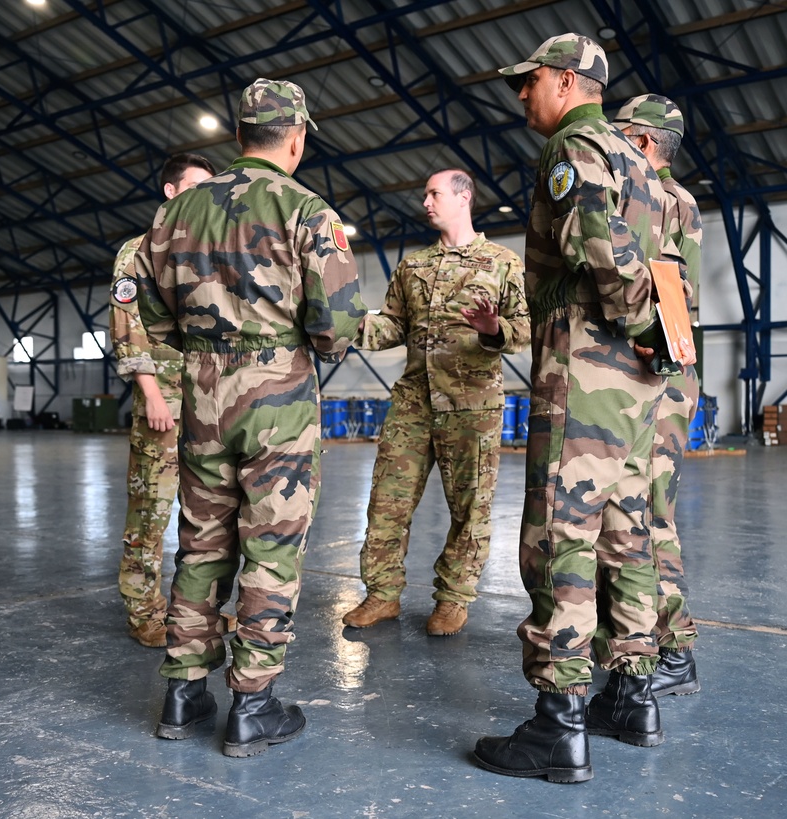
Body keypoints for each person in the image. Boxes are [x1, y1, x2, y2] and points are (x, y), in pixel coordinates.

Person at [133, 77, 366, 758]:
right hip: (278, 398)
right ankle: (253, 704)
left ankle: (182, 690)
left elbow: (151, 316)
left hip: (202, 394)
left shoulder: (175, 214)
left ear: (237, 138)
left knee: (202, 541)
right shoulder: (306, 209)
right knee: (270, 546)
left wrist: (209, 349)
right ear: (295, 140)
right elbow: (337, 322)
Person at [473, 33, 672, 783]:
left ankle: (558, 723)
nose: (521, 95)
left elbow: (602, 246)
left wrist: (637, 318)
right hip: (637, 381)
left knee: (559, 532)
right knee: (628, 531)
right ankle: (631, 693)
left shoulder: (575, 148)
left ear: (565, 80)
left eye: (529, 83)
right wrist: (656, 334)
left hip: (587, 360)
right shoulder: (639, 161)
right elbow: (658, 262)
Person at [341, 169, 529, 636]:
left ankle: (452, 600)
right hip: (413, 404)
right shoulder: (413, 267)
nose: (425, 202)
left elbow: (525, 329)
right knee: (387, 501)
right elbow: (390, 327)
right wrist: (344, 324)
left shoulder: (502, 262)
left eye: (434, 193)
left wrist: (493, 330)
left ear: (464, 197)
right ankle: (381, 595)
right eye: (424, 193)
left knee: (470, 509)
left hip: (472, 406)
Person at [612, 94, 702, 696]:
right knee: (638, 515)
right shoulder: (671, 199)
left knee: (646, 518)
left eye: (621, 136)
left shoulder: (664, 200)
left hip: (661, 376)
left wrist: (655, 343)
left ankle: (672, 650)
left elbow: (665, 285)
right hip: (663, 372)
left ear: (644, 143)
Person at [109, 153, 216, 648]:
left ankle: (196, 613)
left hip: (213, 401)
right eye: (197, 186)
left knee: (208, 514)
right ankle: (144, 613)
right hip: (164, 403)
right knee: (151, 510)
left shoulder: (213, 250)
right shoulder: (138, 251)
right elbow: (126, 329)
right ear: (172, 192)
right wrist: (151, 393)